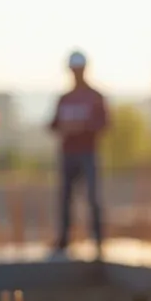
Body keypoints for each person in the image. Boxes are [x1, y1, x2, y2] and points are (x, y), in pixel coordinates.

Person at [49, 50, 109, 257]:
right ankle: (64, 238)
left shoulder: (95, 97)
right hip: (68, 154)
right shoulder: (65, 98)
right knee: (65, 197)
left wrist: (82, 127)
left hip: (87, 153)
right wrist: (65, 127)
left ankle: (98, 239)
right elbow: (53, 124)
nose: (76, 74)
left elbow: (104, 123)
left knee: (92, 196)